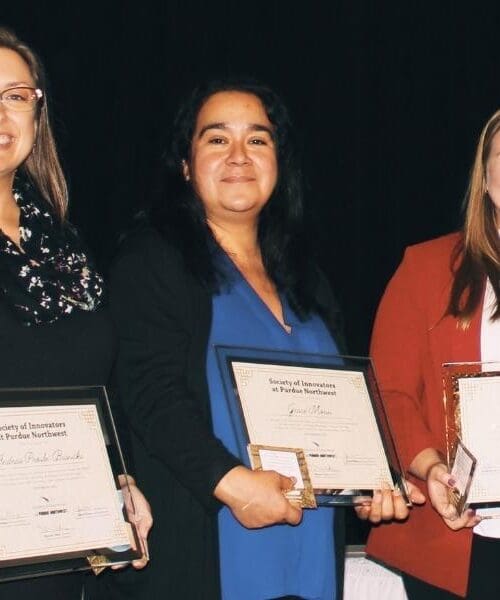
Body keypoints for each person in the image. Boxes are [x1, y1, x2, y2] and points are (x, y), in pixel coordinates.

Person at [105, 78, 420, 600]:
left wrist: (369, 483)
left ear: (279, 162)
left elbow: (344, 408)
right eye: (216, 138)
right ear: (185, 164)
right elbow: (149, 394)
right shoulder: (151, 261)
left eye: (257, 139)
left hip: (309, 549)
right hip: (214, 544)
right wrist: (233, 484)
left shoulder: (306, 279)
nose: (238, 155)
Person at [0, 26, 152, 599]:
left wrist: (119, 480)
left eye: (16, 96)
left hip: (67, 560)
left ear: (37, 116)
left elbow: (94, 387)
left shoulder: (65, 245)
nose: (1, 114)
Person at [365, 108, 500, 599]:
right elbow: (390, 393)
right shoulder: (424, 268)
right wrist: (430, 467)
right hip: (454, 543)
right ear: (484, 178)